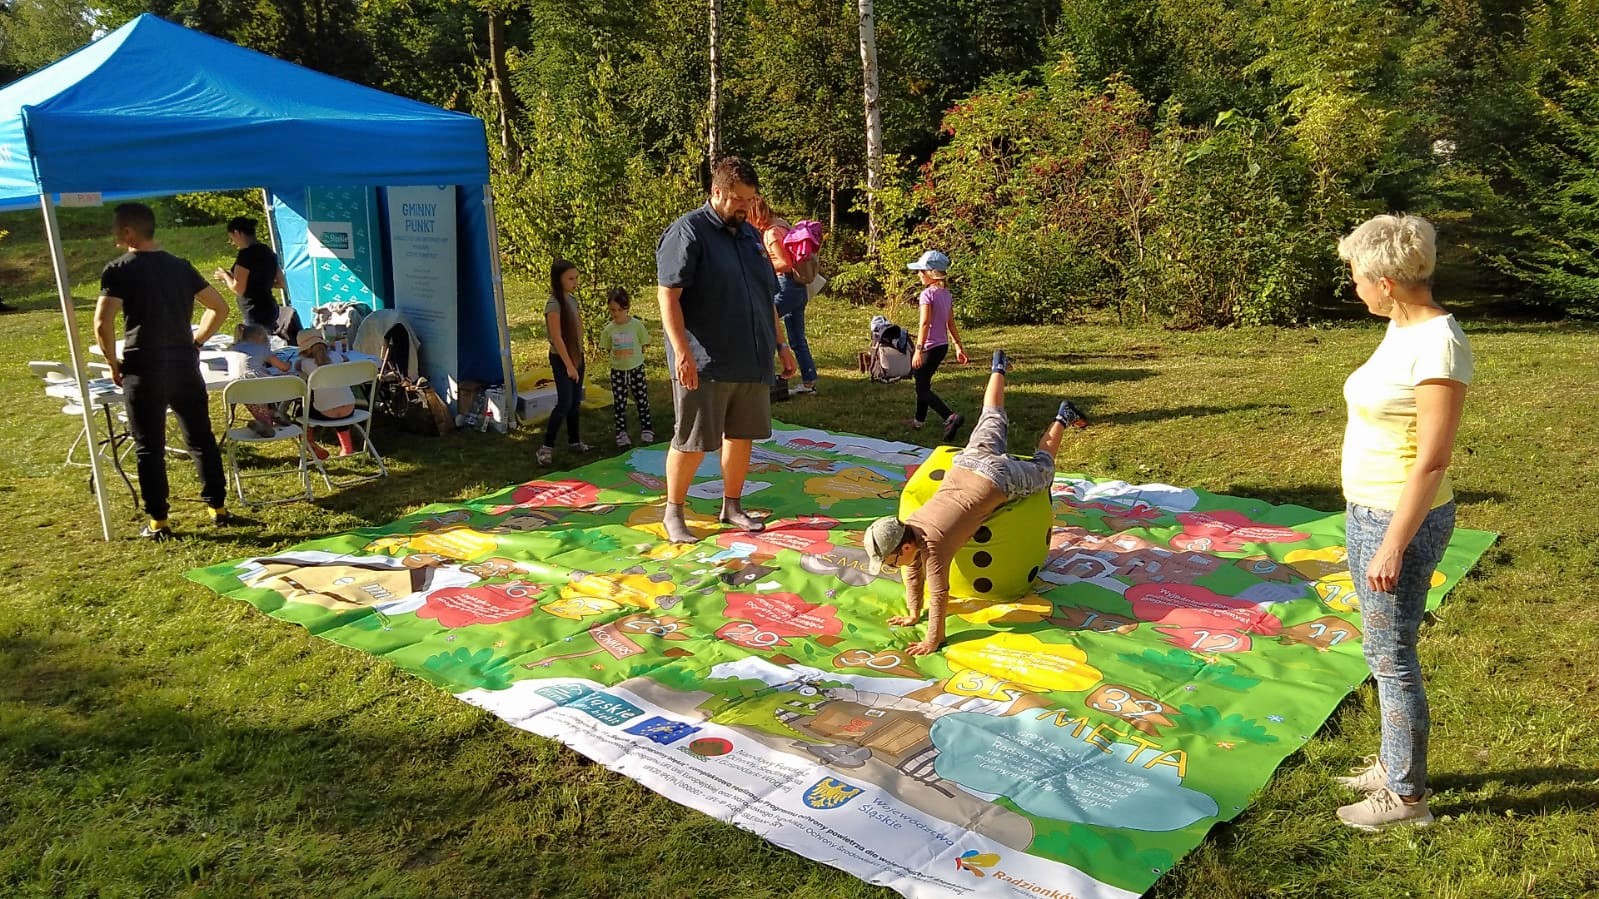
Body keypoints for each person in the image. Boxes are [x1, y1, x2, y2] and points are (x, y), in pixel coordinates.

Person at [1328, 214, 1473, 832]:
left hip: (1397, 518)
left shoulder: (1438, 343)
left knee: (1391, 655)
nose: (1354, 287)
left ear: (1386, 281)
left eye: (1358, 277)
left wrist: (1392, 544)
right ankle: (1392, 765)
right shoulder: (1400, 327)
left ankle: (1408, 796)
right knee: (1382, 648)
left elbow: (1434, 458)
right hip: (1372, 509)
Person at [864, 350, 1088, 655]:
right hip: (967, 463)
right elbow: (913, 577)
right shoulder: (911, 525)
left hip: (998, 478)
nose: (892, 568)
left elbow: (939, 594)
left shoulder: (933, 546)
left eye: (890, 563)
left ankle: (1064, 416)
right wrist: (913, 614)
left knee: (1044, 470)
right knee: (991, 417)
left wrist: (934, 639)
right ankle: (998, 366)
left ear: (905, 548)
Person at [656, 156, 798, 543]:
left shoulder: (750, 235)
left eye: (749, 200)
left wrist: (782, 345)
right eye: (737, 199)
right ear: (716, 191)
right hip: (705, 360)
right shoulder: (689, 232)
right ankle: (674, 513)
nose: (743, 207)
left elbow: (765, 296)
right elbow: (668, 296)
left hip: (751, 358)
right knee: (693, 439)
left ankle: (731, 505)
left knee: (742, 434)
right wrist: (682, 352)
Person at [92, 202, 233, 539]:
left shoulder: (118, 270)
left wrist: (113, 362)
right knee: (200, 437)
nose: (113, 233)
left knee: (149, 446)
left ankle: (159, 520)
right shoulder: (181, 266)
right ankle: (218, 507)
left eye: (116, 228)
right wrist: (197, 342)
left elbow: (102, 322)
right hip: (183, 362)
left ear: (128, 232)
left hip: (144, 364)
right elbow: (220, 307)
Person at [749, 198, 817, 395]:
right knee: (797, 337)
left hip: (786, 285)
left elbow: (785, 263)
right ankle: (809, 381)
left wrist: (761, 266)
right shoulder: (783, 224)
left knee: (764, 320)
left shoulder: (771, 233)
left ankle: (763, 376)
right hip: (799, 287)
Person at [906, 250, 970, 440]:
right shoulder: (946, 294)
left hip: (928, 347)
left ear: (931, 273)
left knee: (922, 389)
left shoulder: (927, 295)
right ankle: (919, 421)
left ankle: (949, 416)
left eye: (921, 271)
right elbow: (950, 323)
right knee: (923, 384)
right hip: (941, 347)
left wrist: (918, 350)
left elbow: (924, 323)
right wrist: (958, 346)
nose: (919, 275)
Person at [539, 259, 589, 465]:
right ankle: (546, 447)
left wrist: (579, 354)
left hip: (577, 356)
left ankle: (574, 441)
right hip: (561, 358)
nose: (575, 282)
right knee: (565, 402)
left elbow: (577, 327)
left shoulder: (572, 300)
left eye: (576, 278)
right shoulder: (554, 304)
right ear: (558, 279)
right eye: (570, 278)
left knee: (575, 402)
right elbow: (557, 338)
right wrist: (568, 365)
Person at [601, 287, 655, 447]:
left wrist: (636, 359)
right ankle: (621, 433)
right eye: (612, 310)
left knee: (641, 399)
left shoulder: (637, 326)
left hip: (636, 369)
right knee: (619, 403)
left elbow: (644, 344)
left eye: (619, 310)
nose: (616, 313)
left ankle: (647, 429)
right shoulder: (608, 329)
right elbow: (608, 348)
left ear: (627, 309)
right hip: (617, 372)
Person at [213, 216, 284, 331]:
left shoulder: (246, 256)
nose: (232, 242)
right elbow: (281, 283)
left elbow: (238, 289)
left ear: (237, 233)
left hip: (254, 310)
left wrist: (225, 276)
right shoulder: (268, 251)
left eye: (232, 238)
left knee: (254, 343)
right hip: (270, 308)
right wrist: (261, 284)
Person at [296, 328, 356, 460]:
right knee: (337, 398)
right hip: (350, 409)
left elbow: (297, 371)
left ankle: (309, 442)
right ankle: (347, 448)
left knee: (301, 411)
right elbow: (346, 360)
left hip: (325, 414)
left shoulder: (304, 363)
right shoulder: (336, 356)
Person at [231, 322, 294, 437]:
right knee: (286, 384)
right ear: (260, 337)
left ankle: (269, 415)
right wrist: (289, 364)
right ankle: (269, 419)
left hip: (236, 388)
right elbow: (284, 368)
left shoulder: (233, 348)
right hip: (258, 384)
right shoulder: (261, 348)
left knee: (258, 403)